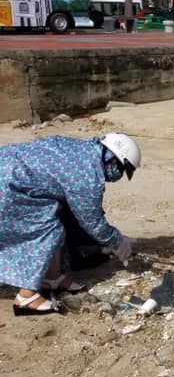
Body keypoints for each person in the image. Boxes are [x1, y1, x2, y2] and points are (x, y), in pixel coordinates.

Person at [0, 133, 140, 316]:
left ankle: (52, 278)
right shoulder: (88, 173)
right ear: (111, 158)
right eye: (122, 169)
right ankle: (27, 297)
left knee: (53, 216)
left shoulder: (81, 150)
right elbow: (92, 221)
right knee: (43, 230)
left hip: (8, 169)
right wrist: (116, 240)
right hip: (8, 186)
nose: (119, 175)